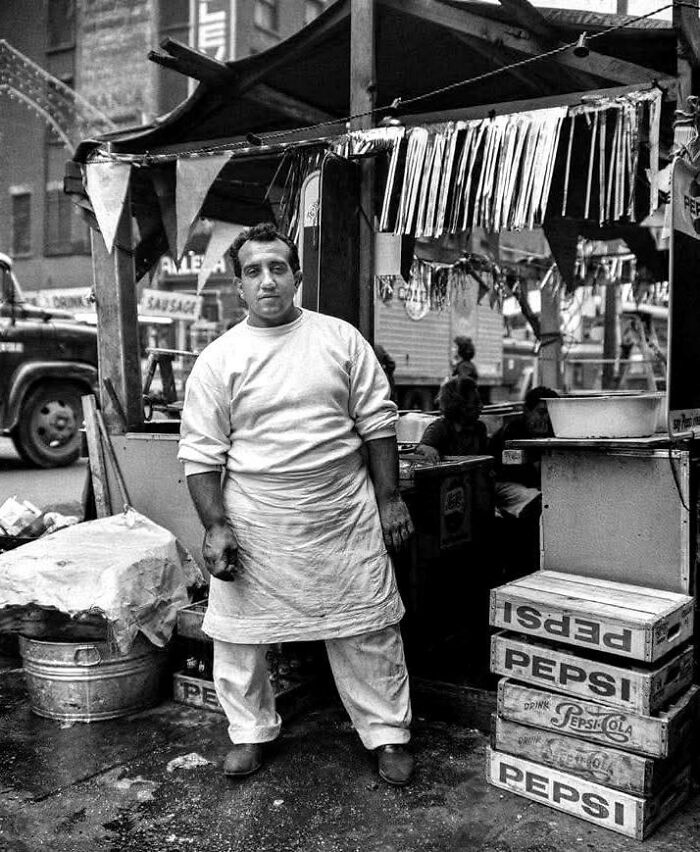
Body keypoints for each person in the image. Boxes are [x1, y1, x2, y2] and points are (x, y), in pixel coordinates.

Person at [178, 222, 415, 787]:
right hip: (257, 520)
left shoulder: (340, 339)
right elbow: (201, 453)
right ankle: (249, 733)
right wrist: (215, 525)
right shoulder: (219, 359)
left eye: (278, 268)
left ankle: (388, 734)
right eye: (254, 271)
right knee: (239, 637)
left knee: (367, 627)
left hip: (342, 514)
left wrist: (389, 499)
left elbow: (378, 423)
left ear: (297, 276)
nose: (267, 280)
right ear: (239, 286)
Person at [414, 377, 488, 462]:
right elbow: (422, 447)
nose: (481, 406)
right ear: (459, 405)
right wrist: (428, 449)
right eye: (475, 402)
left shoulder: (480, 428)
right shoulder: (439, 428)